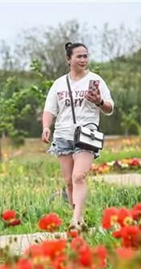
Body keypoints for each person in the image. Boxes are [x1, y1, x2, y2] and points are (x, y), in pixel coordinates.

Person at [42, 42, 114, 231]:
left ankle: (74, 220)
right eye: (79, 56)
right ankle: (79, 217)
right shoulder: (58, 84)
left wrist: (98, 101)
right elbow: (50, 109)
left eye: (85, 56)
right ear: (68, 59)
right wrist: (46, 127)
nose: (83, 60)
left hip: (87, 133)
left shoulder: (95, 80)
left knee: (79, 176)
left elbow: (110, 108)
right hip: (63, 134)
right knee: (68, 181)